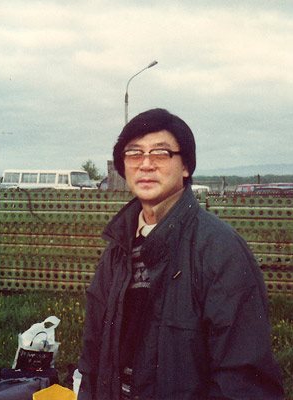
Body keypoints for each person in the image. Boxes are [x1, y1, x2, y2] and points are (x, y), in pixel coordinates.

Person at [77, 108, 284, 400]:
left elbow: (243, 380)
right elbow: (92, 357)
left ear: (186, 166)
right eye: (134, 154)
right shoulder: (117, 249)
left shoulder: (220, 251)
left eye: (160, 154)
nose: (145, 165)